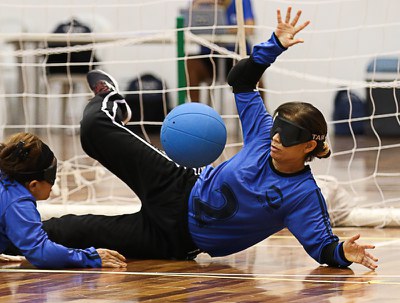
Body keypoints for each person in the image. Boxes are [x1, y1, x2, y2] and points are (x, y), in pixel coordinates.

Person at [42, 7, 378, 270]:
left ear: (309, 146)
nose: (276, 138)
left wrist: (343, 252)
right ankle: (113, 101)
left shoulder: (303, 195)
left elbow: (322, 247)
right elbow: (241, 80)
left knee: (66, 230)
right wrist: (273, 46)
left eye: (288, 136)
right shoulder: (263, 136)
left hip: (172, 239)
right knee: (93, 130)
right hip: (176, 184)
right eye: (276, 128)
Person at [0, 132, 127, 268]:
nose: (54, 183)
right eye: (51, 176)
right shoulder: (17, 202)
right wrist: (88, 257)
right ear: (34, 184)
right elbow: (42, 253)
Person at [185, 0, 262, 102]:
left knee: (255, 72)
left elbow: (249, 27)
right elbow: (187, 26)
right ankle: (193, 113)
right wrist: (197, 5)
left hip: (236, 59)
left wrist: (222, 29)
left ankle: (258, 115)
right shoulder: (201, 2)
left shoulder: (241, 2)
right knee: (190, 63)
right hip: (209, 58)